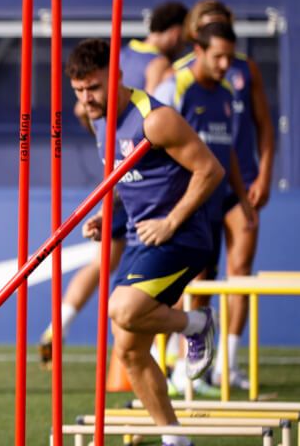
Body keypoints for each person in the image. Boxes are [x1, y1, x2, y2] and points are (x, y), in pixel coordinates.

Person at [68, 38, 222, 446]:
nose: (87, 99)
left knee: (121, 309)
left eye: (94, 88)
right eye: (80, 92)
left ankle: (197, 322)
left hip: (182, 236)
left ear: (116, 78)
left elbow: (210, 170)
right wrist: (108, 216)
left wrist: (172, 221)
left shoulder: (155, 120)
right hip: (140, 236)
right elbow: (124, 182)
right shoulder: (97, 120)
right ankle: (175, 440)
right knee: (129, 351)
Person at [38, 1, 188, 368]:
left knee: (104, 258)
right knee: (162, 271)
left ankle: (60, 324)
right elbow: (148, 117)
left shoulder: (121, 51)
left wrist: (106, 138)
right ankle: (166, 353)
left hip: (119, 172)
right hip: (145, 176)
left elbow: (83, 110)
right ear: (173, 31)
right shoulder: (157, 66)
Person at [172, 0, 275, 390]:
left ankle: (227, 365)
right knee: (198, 276)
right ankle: (188, 366)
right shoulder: (182, 77)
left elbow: (260, 127)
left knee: (241, 270)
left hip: (240, 183)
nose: (223, 60)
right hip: (198, 190)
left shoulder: (244, 70)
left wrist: (263, 175)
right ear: (197, 38)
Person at [155, 22, 257, 395]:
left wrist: (243, 200)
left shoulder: (228, 90)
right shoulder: (176, 86)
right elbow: (154, 138)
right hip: (184, 202)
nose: (225, 63)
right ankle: (174, 363)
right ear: (197, 51)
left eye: (230, 56)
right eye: (218, 56)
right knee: (184, 284)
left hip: (218, 200)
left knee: (207, 283)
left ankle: (198, 364)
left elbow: (226, 148)